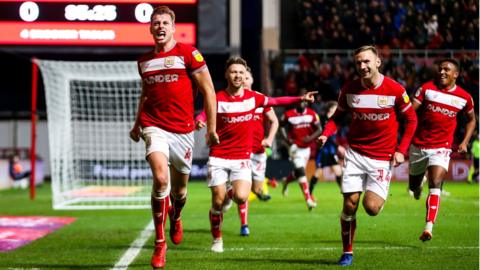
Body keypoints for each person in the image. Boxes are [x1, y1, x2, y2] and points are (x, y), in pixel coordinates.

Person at [129, 6, 219, 269]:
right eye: (155, 23)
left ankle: (176, 215)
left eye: (164, 23)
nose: (159, 27)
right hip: (153, 126)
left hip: (183, 130)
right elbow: (145, 95)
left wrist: (211, 129)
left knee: (179, 192)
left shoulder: (189, 53)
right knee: (160, 178)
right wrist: (137, 125)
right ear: (150, 28)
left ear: (172, 27)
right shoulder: (143, 61)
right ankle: (159, 244)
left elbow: (209, 91)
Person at [196, 56, 316, 253]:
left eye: (241, 73)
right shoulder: (218, 97)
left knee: (242, 197)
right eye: (234, 72)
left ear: (245, 76)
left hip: (242, 156)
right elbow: (204, 112)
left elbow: (276, 101)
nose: (237, 75)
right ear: (227, 74)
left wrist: (300, 99)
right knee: (217, 203)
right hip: (219, 155)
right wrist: (200, 121)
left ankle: (229, 191)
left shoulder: (253, 98)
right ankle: (217, 239)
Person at [317, 45, 418, 266]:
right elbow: (337, 118)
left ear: (378, 62)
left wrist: (401, 151)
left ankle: (378, 198)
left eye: (366, 62)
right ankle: (347, 252)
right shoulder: (350, 89)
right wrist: (326, 134)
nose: (362, 66)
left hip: (381, 158)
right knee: (349, 204)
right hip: (355, 154)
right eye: (358, 63)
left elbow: (411, 120)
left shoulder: (395, 90)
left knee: (371, 208)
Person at [407, 58, 476, 242]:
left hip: (442, 147)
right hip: (419, 145)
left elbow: (471, 120)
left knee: (436, 181)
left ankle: (429, 227)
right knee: (414, 186)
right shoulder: (427, 88)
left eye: (447, 69)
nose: (442, 72)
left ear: (456, 74)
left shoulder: (464, 97)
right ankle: (417, 186)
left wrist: (464, 141)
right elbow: (411, 113)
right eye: (440, 69)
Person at [233, 67, 279, 236]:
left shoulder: (258, 99)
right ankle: (244, 224)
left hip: (259, 151)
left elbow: (274, 121)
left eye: (247, 76)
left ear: (251, 80)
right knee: (243, 191)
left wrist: (270, 139)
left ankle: (236, 191)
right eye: (241, 76)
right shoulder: (233, 100)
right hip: (241, 152)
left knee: (258, 189)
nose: (243, 79)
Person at [280, 98, 323, 210]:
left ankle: (286, 181)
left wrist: (310, 138)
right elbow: (281, 126)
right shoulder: (288, 114)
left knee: (299, 173)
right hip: (294, 147)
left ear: (307, 103)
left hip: (306, 148)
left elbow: (319, 129)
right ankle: (308, 200)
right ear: (296, 102)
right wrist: (286, 139)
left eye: (304, 101)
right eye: (300, 101)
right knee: (302, 172)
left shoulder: (312, 114)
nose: (302, 103)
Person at [309, 101, 344, 196]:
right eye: (335, 108)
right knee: (318, 172)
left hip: (331, 151)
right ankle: (309, 194)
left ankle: (344, 193)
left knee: (338, 172)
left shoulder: (335, 119)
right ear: (330, 109)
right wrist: (338, 146)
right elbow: (326, 137)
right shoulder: (324, 120)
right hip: (323, 151)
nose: (337, 109)